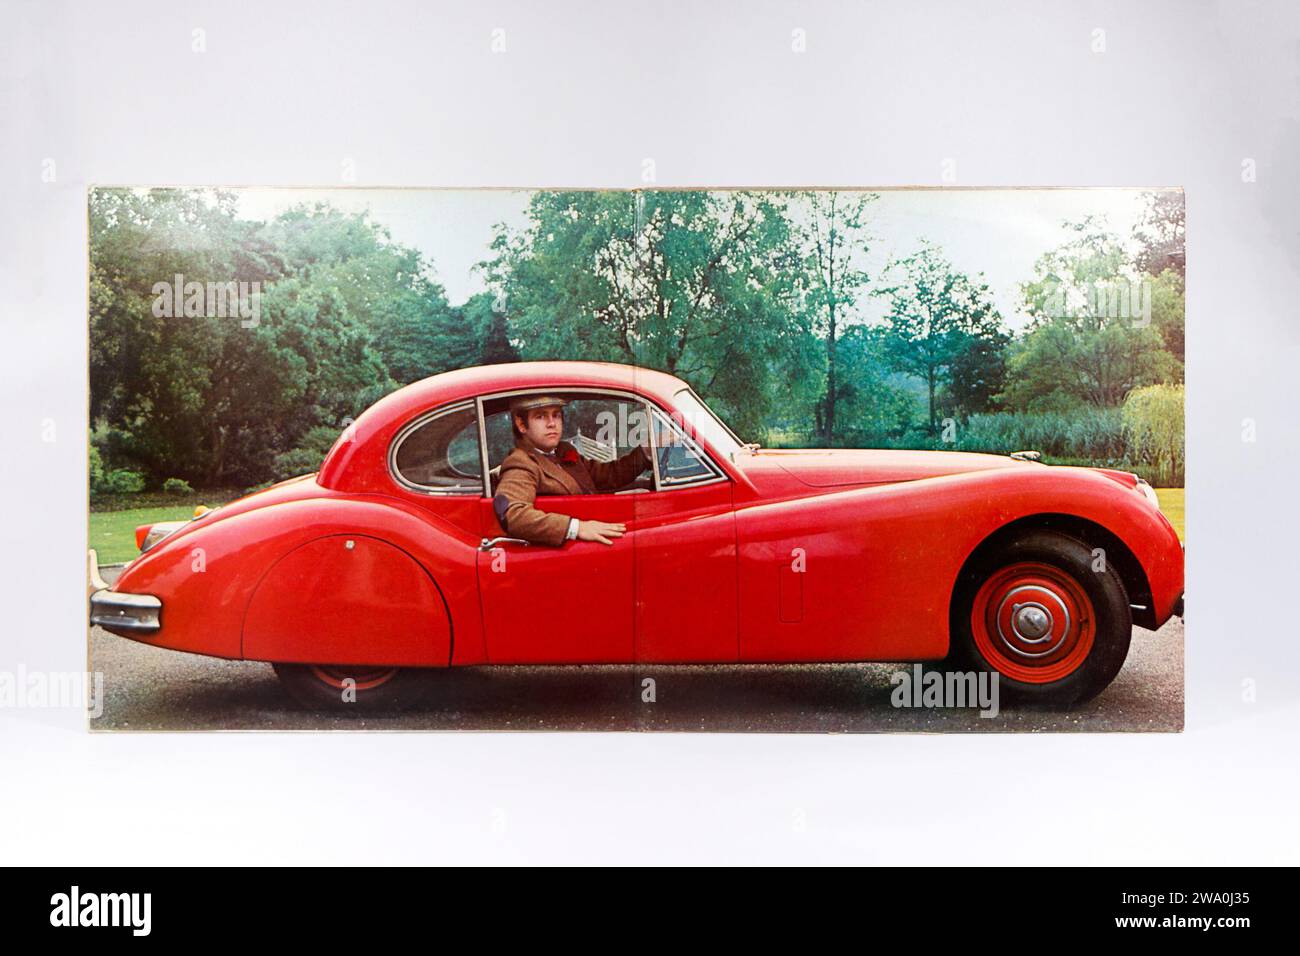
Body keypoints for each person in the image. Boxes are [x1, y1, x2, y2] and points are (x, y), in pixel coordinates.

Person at [492, 395, 654, 546]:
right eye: (540, 416)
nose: (552, 423)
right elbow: (512, 513)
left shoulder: (564, 451)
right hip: (567, 550)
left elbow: (609, 475)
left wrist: (646, 451)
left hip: (599, 536)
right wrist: (576, 528)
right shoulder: (521, 462)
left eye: (556, 415)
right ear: (521, 425)